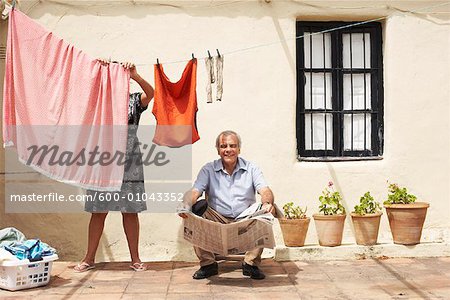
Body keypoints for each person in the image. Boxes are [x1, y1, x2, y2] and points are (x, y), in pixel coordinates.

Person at [74, 59, 154, 272]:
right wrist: (96, 70)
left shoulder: (133, 100)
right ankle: (89, 258)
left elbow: (151, 93)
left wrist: (135, 75)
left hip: (130, 160)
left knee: (130, 211)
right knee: (98, 211)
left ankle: (135, 259)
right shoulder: (99, 101)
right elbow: (79, 92)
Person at [179, 130, 275, 280]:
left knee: (265, 211)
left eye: (232, 146)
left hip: (245, 219)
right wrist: (185, 205)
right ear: (218, 150)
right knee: (194, 210)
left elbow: (265, 190)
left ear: (239, 149)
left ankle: (251, 264)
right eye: (223, 146)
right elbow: (195, 191)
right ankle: (208, 265)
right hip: (216, 217)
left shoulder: (252, 168)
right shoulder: (208, 169)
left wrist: (267, 203)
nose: (228, 150)